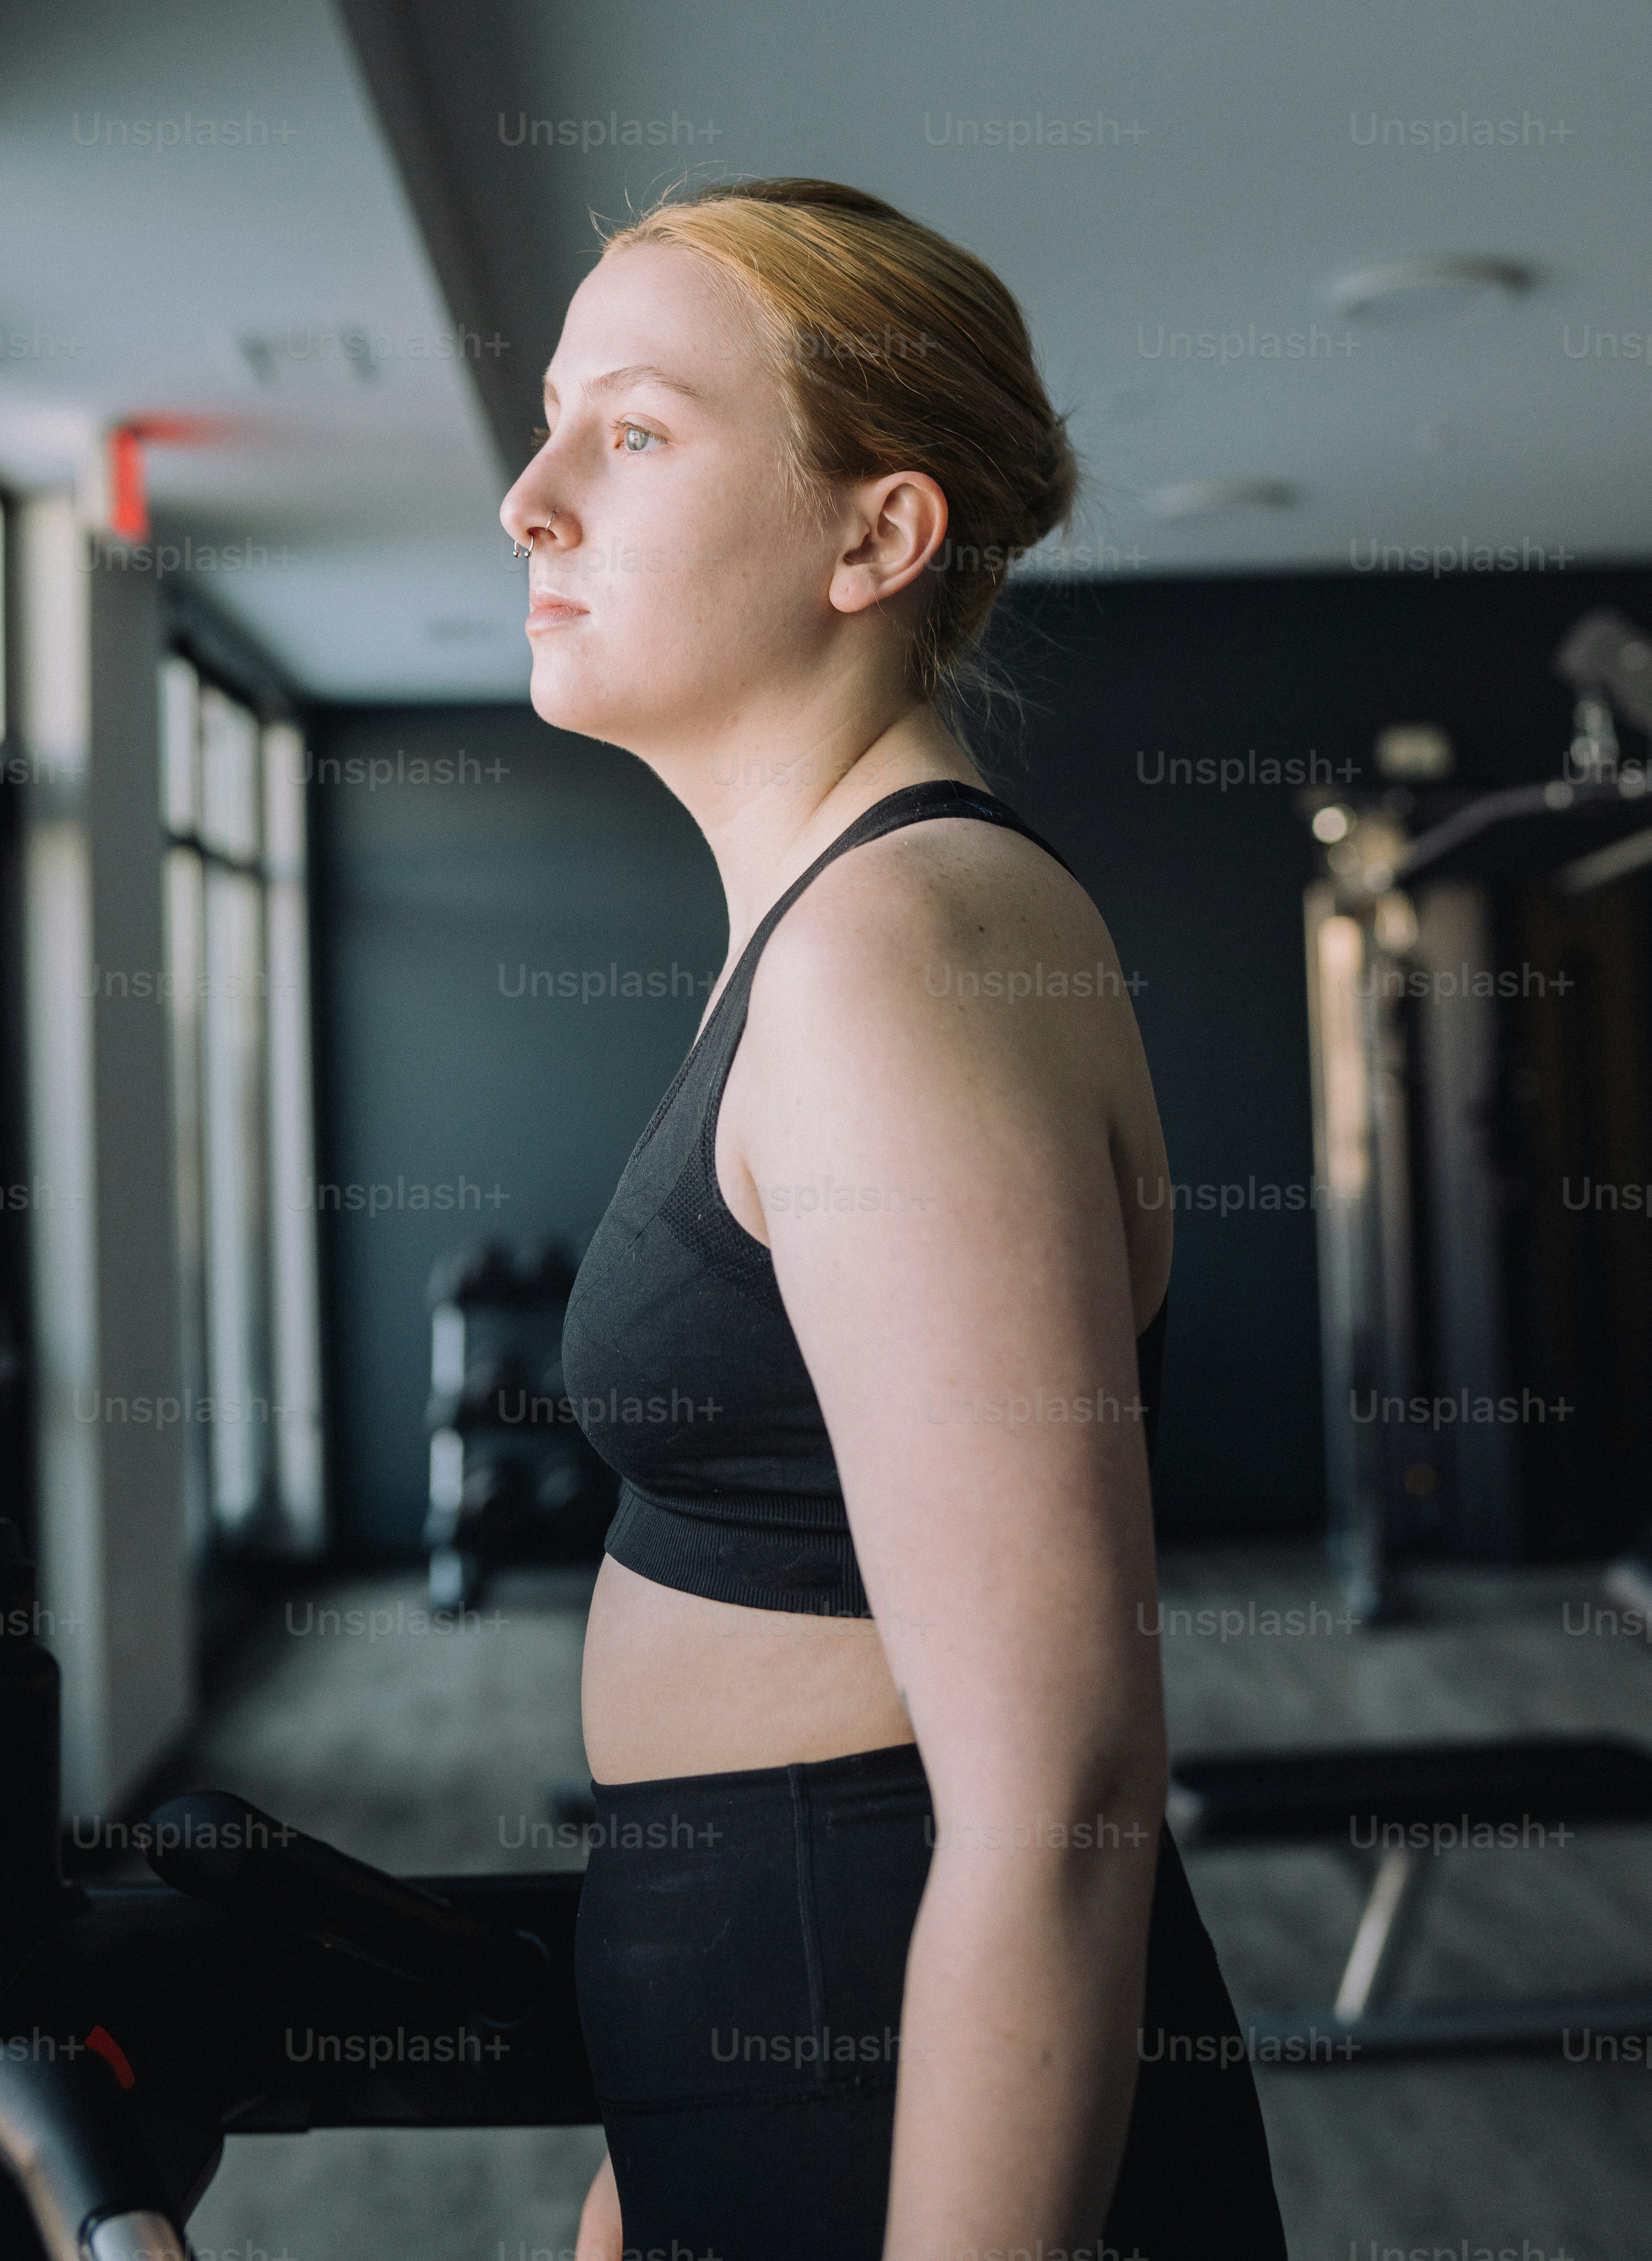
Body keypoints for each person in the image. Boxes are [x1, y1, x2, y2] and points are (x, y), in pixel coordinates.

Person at [498, 179, 1287, 2261]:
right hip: (788, 2000)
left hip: (909, 2030)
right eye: (551, 420)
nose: (529, 500)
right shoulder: (836, 929)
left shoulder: (895, 953)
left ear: (877, 536)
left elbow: (1058, 1795)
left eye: (632, 432)